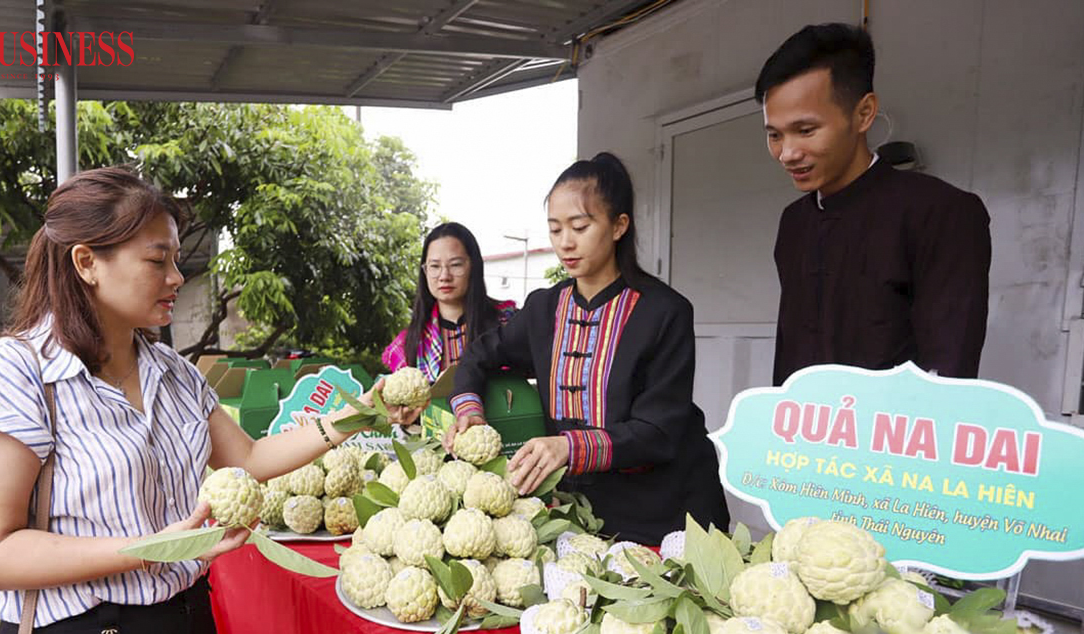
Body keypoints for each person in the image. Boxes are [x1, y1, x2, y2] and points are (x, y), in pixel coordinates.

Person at [0, 167, 420, 634]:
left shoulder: (173, 372)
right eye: (158, 260)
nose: (177, 280)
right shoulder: (11, 377)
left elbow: (248, 459)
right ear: (86, 262)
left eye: (176, 261)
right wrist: (155, 548)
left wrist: (356, 415)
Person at [444, 153, 729, 544]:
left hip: (668, 512)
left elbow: (659, 431)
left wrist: (568, 447)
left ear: (618, 226)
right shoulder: (545, 308)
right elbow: (479, 354)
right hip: (579, 511)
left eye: (580, 226)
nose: (565, 242)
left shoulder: (664, 312)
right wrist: (469, 413)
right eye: (555, 229)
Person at [757, 23, 991, 386]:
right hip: (802, 436)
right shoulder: (794, 223)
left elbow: (950, 370)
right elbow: (790, 355)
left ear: (864, 114)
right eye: (775, 135)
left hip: (893, 437)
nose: (787, 153)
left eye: (806, 131)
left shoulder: (941, 212)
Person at [382, 222, 516, 381]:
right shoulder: (407, 343)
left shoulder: (508, 324)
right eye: (435, 266)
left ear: (474, 267)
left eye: (455, 265)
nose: (444, 276)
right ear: (425, 271)